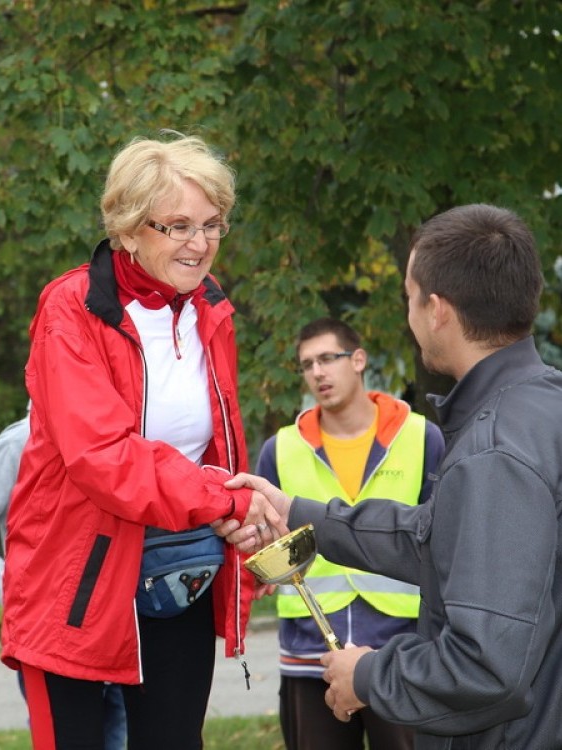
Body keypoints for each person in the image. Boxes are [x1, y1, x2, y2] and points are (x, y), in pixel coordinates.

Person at [216, 203, 562, 749]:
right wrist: (298, 514)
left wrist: (370, 675)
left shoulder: (495, 451)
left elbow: (488, 669)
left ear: (437, 310)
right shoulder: (542, 406)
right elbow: (436, 540)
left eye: (408, 297)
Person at [0, 132, 282, 750]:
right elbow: (102, 457)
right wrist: (223, 499)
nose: (200, 243)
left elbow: (217, 448)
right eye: (177, 225)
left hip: (179, 569)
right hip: (76, 579)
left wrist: (235, 503)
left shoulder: (211, 307)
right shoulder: (70, 309)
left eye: (212, 224)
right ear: (129, 228)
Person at [255, 317, 444, 750]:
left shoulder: (421, 437)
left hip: (401, 654)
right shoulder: (280, 450)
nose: (317, 372)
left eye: (328, 358)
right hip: (309, 657)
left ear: (358, 360)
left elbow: (443, 542)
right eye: (307, 365)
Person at [0, 414, 127, 750]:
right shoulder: (23, 439)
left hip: (125, 629)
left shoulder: (130, 435)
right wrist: (11, 590)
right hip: (52, 638)